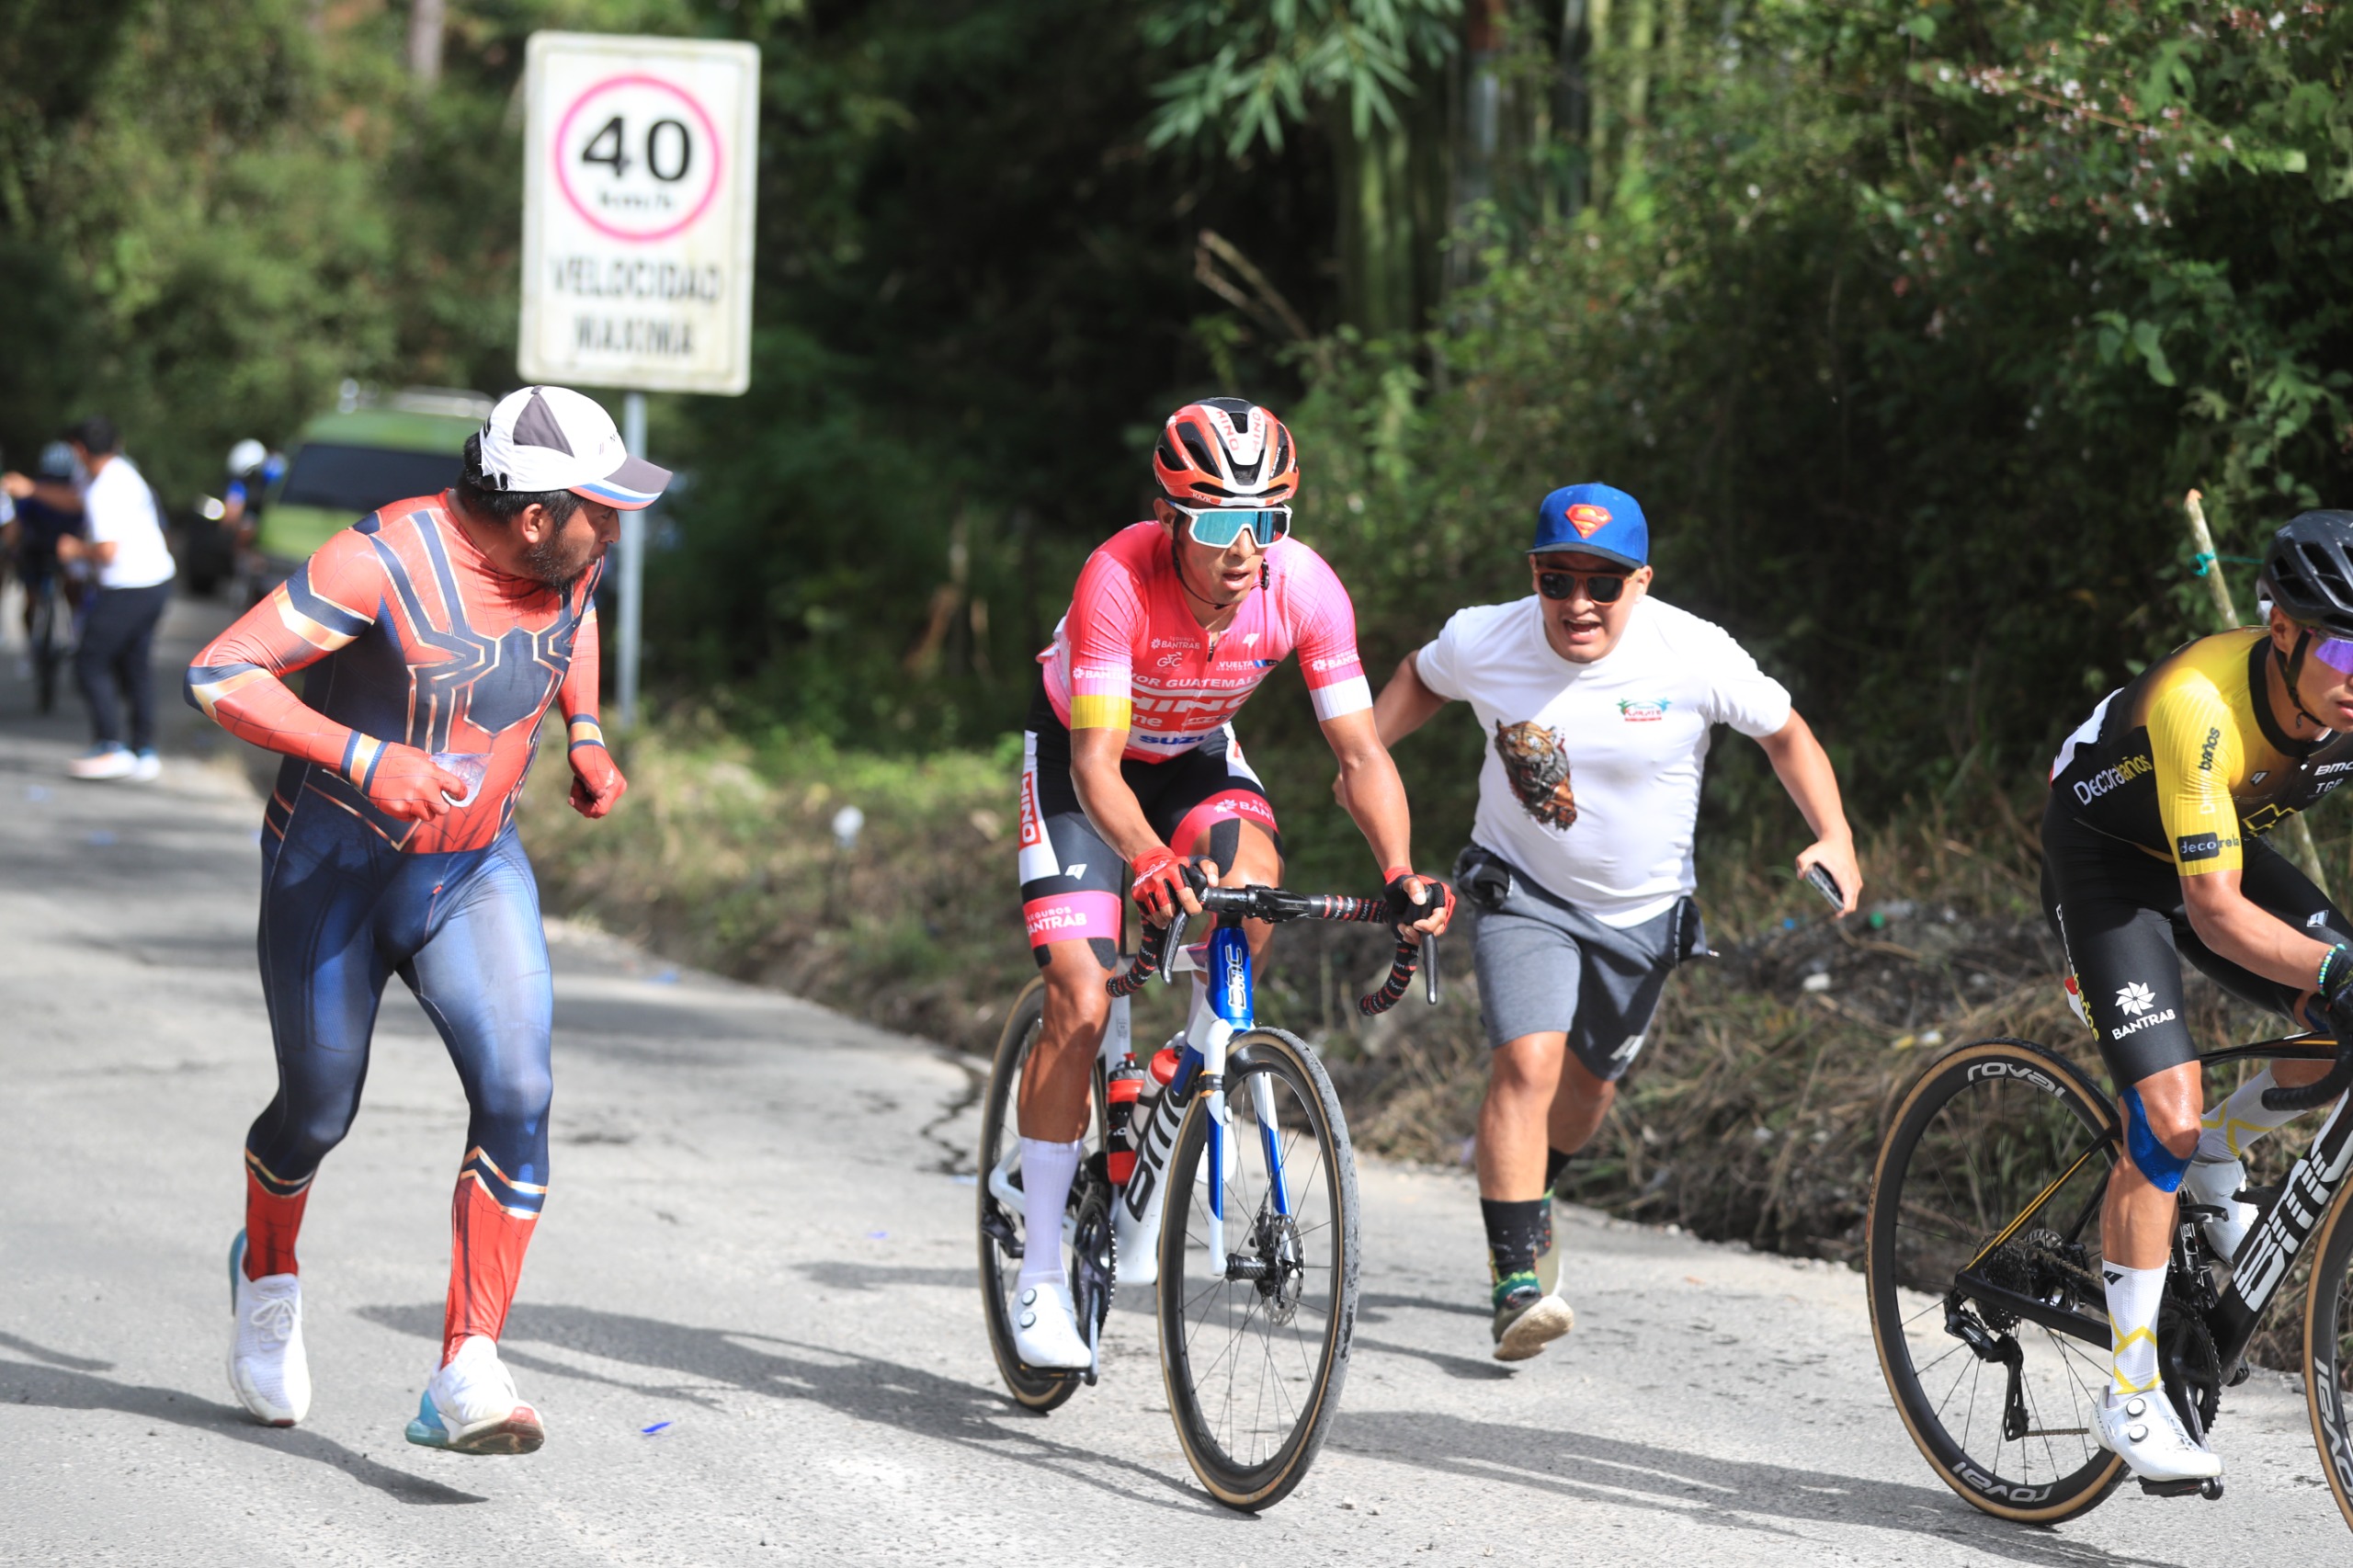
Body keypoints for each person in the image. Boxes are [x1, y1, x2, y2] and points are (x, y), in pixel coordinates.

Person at [185, 384, 665, 1455]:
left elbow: (573, 622)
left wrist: (584, 730)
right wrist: (365, 757)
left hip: (473, 869)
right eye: (602, 509)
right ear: (534, 513)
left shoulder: (567, 559)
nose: (616, 531)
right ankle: (265, 1270)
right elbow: (218, 671)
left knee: (520, 1087)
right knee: (315, 1112)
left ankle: (467, 1367)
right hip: (337, 871)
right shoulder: (385, 557)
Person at [1370, 483, 1861, 1360]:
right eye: (1557, 581)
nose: (1579, 605)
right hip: (1522, 888)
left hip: (1643, 914)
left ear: (1641, 581)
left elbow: (1786, 734)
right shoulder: (1488, 635)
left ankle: (1537, 1191)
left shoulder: (1694, 652)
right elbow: (1419, 675)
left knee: (1588, 1089)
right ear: (1534, 576)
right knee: (1529, 1063)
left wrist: (1833, 833)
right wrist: (1365, 749)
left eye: (1602, 584)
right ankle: (1517, 1274)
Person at [1011, 395, 1452, 1369]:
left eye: (1268, 519)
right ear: (1171, 517)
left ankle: (1186, 1061)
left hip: (1199, 755)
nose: (1245, 545)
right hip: (1088, 763)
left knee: (1250, 893)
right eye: (1218, 522)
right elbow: (1096, 766)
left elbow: (1360, 754)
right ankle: (1040, 1268)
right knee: (1079, 1000)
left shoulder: (1302, 587)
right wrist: (1151, 861)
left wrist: (1399, 871)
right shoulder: (1116, 576)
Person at [2040, 509, 2353, 1485]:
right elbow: (2216, 916)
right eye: (2345, 645)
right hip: (2106, 862)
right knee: (2162, 1115)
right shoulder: (2197, 703)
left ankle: (2228, 1141)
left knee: (2336, 1012)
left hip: (2204, 835)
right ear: (2285, 630)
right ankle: (2129, 1391)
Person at [2, 417, 176, 778]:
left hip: (130, 585)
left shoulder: (106, 490)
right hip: (155, 581)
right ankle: (142, 751)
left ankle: (109, 746)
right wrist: (32, 489)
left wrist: (74, 549)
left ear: (79, 450)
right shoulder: (114, 473)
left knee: (89, 662)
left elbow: (108, 551)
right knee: (134, 664)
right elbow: (71, 499)